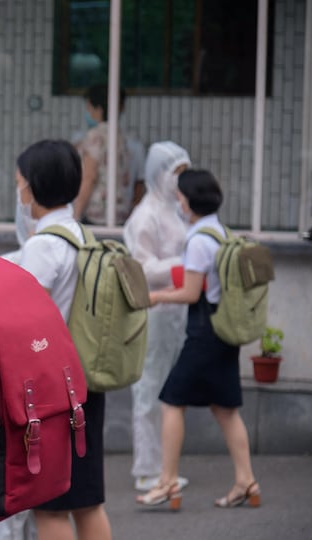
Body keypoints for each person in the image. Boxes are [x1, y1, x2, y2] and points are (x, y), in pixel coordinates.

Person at [137, 169, 261, 511]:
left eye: (180, 197)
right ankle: (246, 481)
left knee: (171, 401)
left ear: (190, 201)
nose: (178, 202)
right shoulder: (221, 232)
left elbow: (192, 294)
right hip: (225, 332)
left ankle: (166, 482)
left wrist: (158, 296)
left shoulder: (198, 240)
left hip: (204, 333)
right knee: (225, 410)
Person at [15, 140, 112, 540]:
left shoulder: (43, 244)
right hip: (86, 381)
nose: (19, 192)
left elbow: (20, 316)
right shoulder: (81, 235)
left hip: (54, 392)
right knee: (88, 505)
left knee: (51, 509)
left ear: (35, 187)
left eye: (20, 183)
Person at [123, 142, 192, 493]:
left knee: (169, 391)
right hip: (154, 310)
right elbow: (142, 267)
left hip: (177, 310)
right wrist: (184, 267)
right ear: (157, 173)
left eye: (183, 172)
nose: (179, 180)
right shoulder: (145, 215)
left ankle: (164, 465)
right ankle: (147, 469)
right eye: (174, 172)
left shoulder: (178, 210)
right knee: (149, 388)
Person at [74, 84, 131, 226]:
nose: (88, 113)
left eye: (89, 108)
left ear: (98, 109)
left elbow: (89, 177)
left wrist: (75, 214)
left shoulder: (95, 136)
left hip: (97, 213)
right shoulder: (119, 135)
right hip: (119, 210)